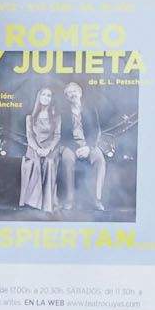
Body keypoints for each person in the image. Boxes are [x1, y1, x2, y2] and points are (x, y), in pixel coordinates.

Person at [57, 81, 108, 214]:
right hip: (71, 145)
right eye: (69, 93)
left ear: (80, 93)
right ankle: (69, 200)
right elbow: (63, 135)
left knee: (100, 160)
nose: (72, 94)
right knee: (67, 159)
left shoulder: (90, 109)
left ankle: (97, 199)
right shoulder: (63, 113)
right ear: (67, 97)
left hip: (89, 145)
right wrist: (76, 148)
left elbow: (96, 131)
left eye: (74, 91)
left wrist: (88, 148)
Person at [16, 87, 61, 214]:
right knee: (35, 163)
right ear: (39, 97)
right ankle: (32, 201)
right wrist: (37, 149)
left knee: (49, 163)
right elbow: (29, 137)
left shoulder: (56, 117)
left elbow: (57, 136)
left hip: (50, 148)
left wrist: (48, 149)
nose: (46, 97)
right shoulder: (30, 117)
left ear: (51, 99)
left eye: (49, 95)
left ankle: (47, 204)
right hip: (33, 148)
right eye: (43, 94)